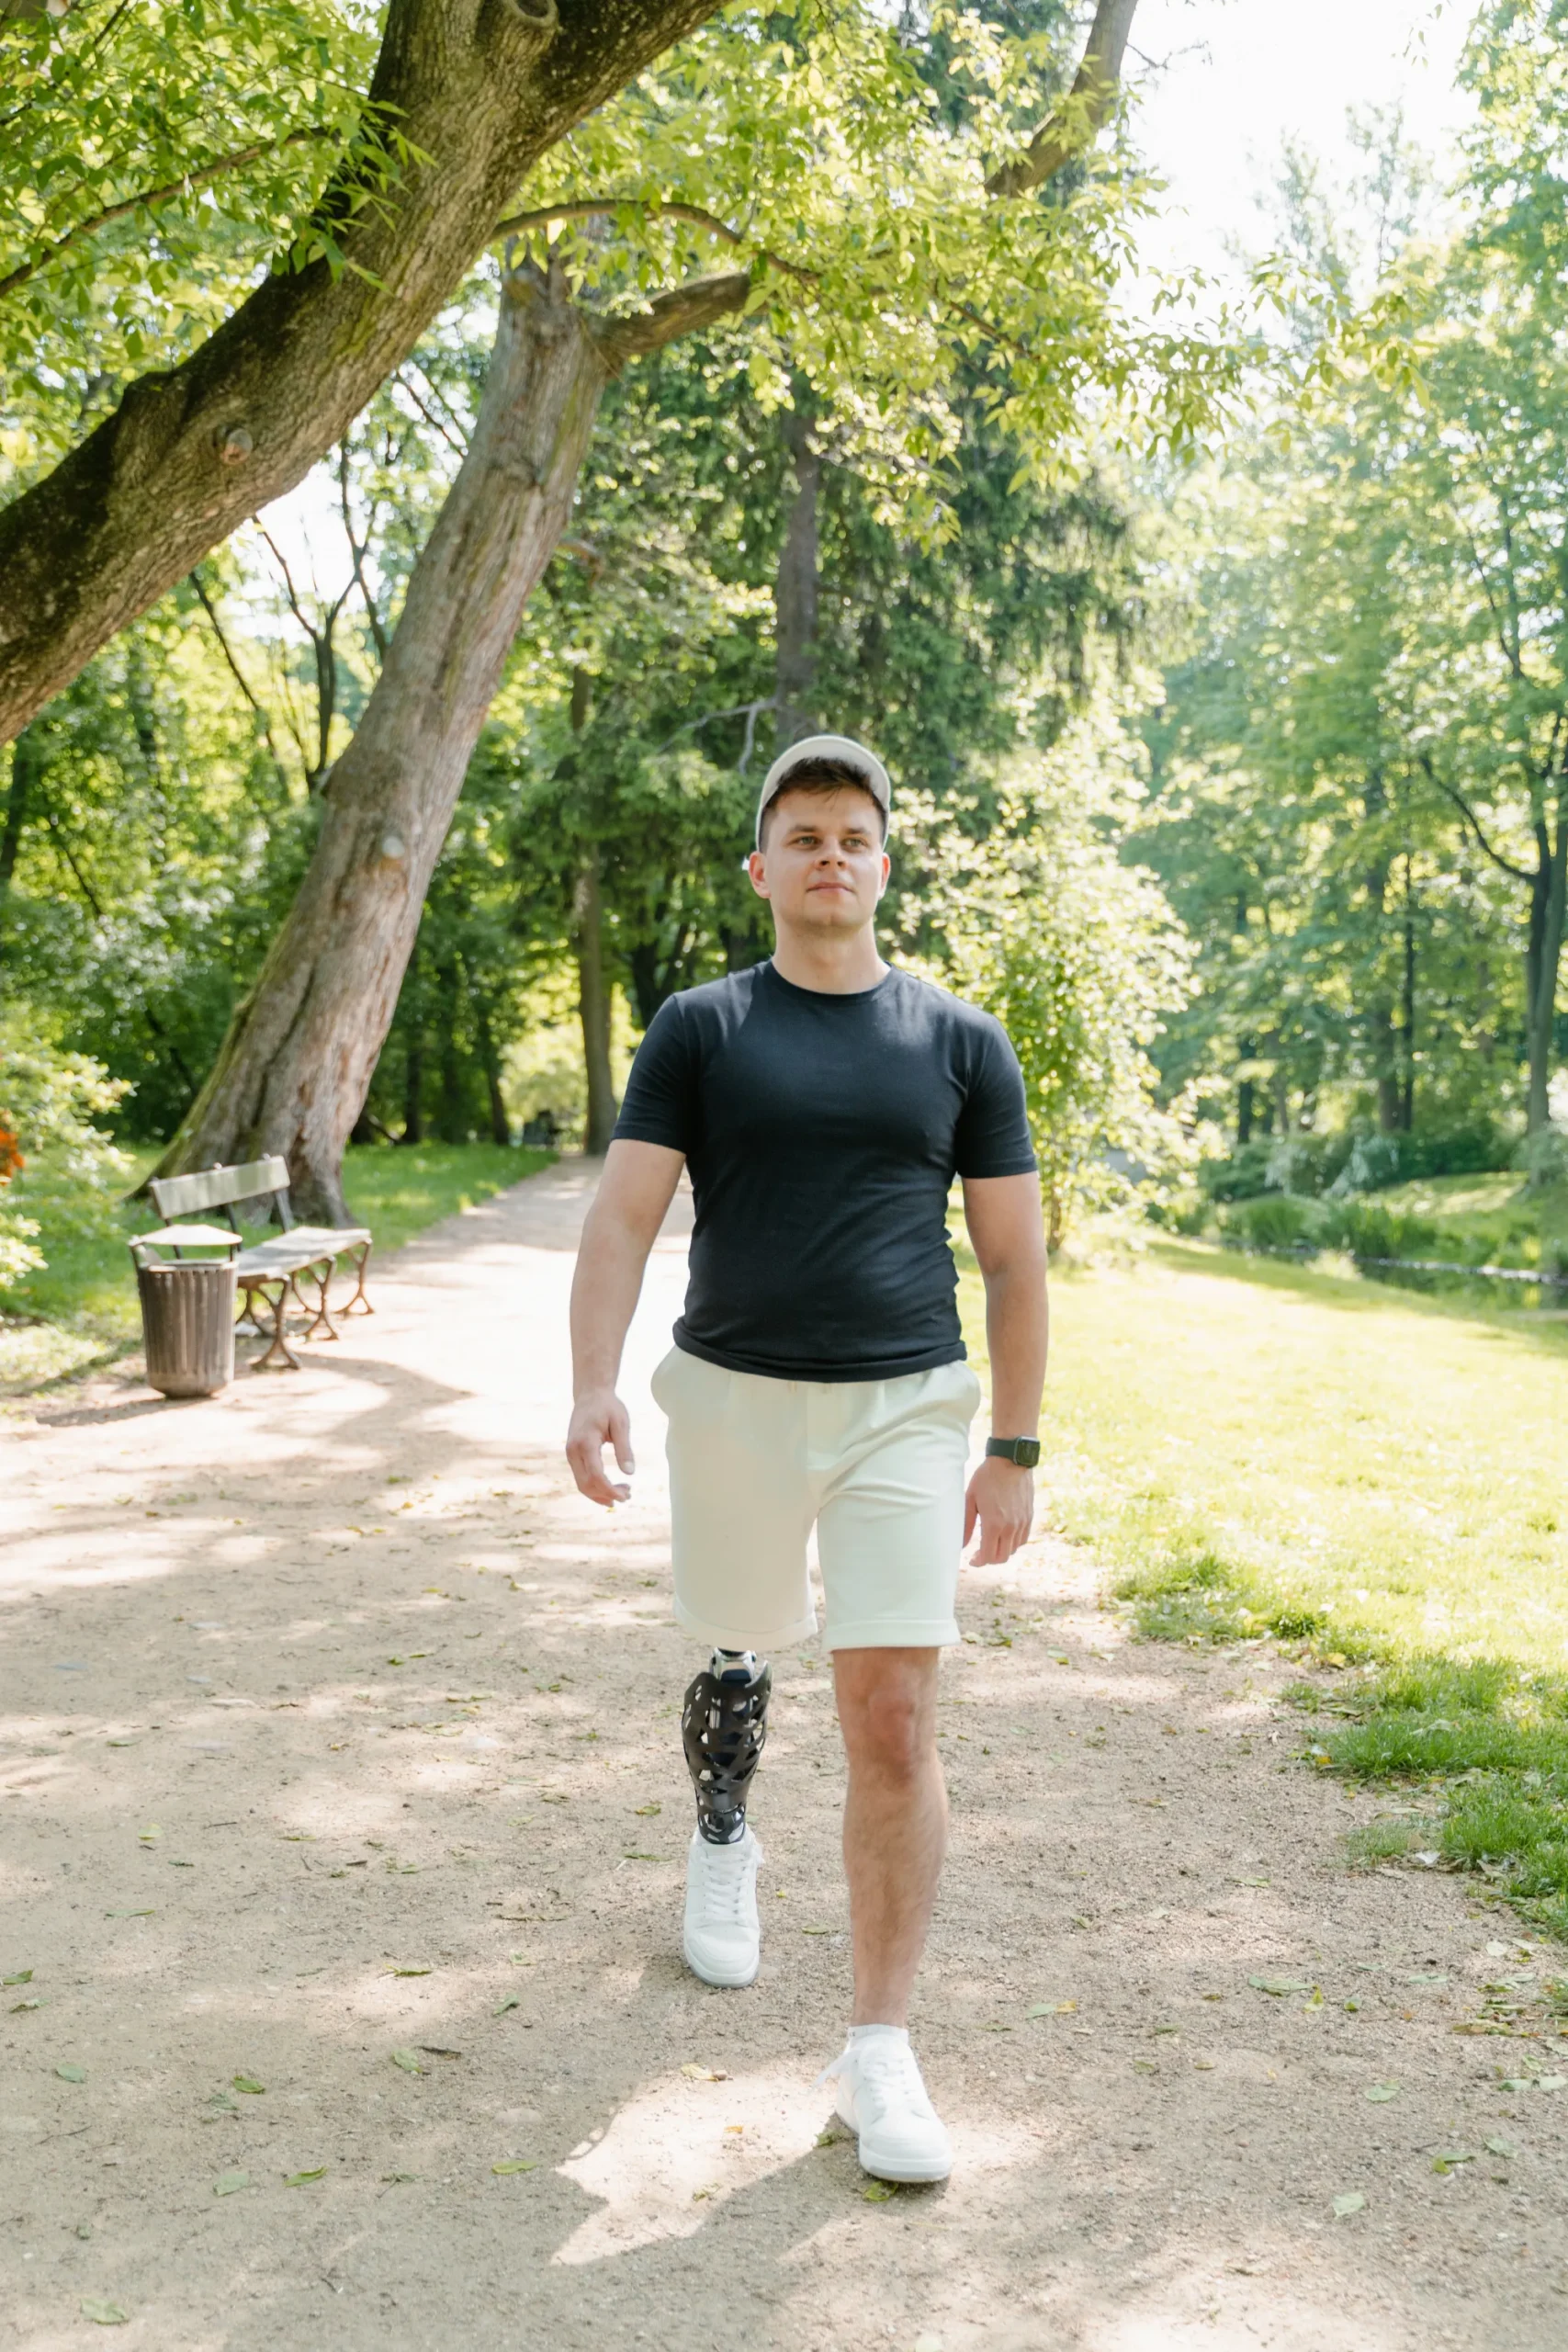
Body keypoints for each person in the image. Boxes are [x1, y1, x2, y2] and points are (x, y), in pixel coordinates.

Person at [565, 732, 1047, 2185]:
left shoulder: (959, 1040)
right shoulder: (702, 1029)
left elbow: (1015, 1260)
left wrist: (1010, 1445)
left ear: (883, 866)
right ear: (761, 867)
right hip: (732, 1401)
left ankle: (877, 2054)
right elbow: (621, 1220)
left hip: (905, 1406)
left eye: (854, 834)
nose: (830, 854)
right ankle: (725, 1823)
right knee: (737, 1643)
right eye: (805, 835)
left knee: (892, 1715)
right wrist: (593, 1384)